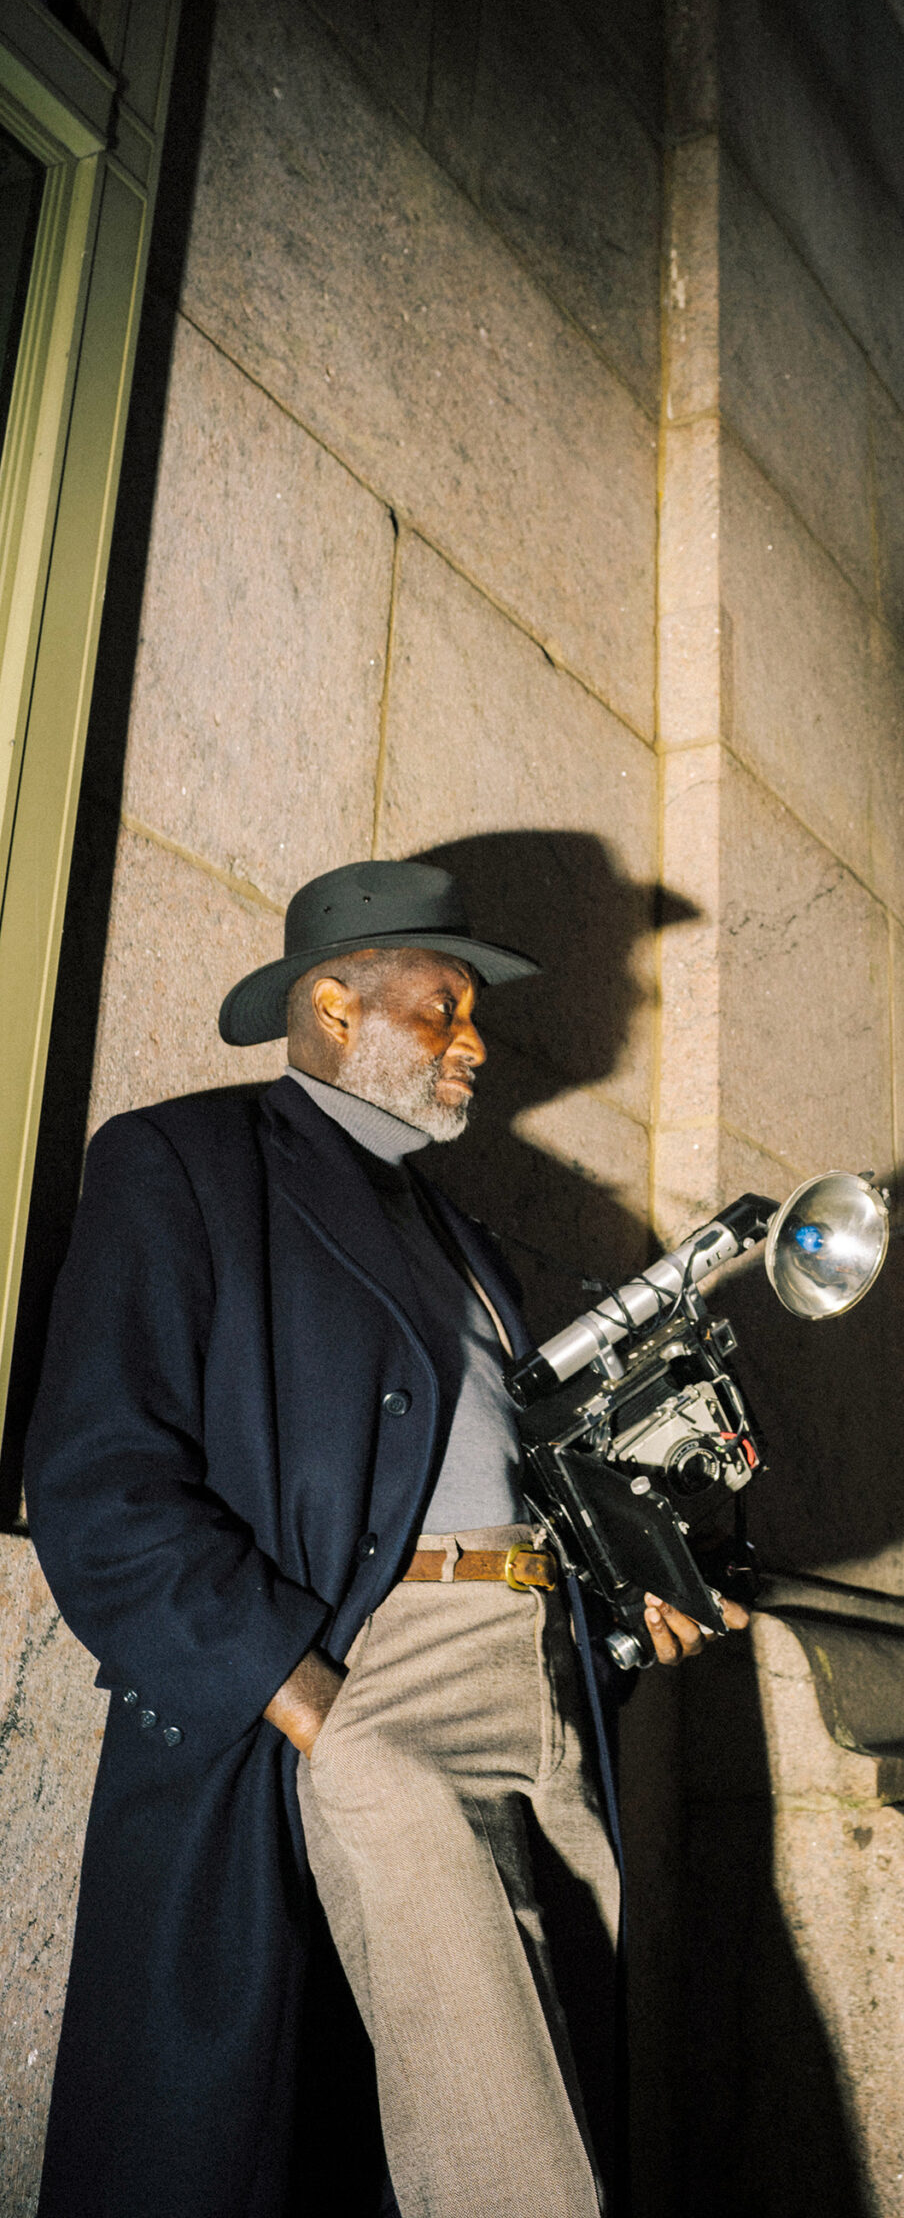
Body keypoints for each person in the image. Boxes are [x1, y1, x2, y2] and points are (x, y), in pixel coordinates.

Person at [26, 858, 745, 2218]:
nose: (475, 1045)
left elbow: (503, 1480)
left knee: (556, 2090)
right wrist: (308, 1700)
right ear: (337, 1008)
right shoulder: (185, 1161)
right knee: (501, 2164)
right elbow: (98, 1480)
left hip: (537, 1684)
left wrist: (620, 1613)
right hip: (366, 1678)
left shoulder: (473, 1240)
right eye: (445, 1007)